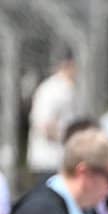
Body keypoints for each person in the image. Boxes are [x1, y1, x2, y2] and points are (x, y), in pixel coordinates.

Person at [27, 53, 77, 188]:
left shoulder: (66, 88)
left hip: (60, 161)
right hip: (48, 161)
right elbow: (45, 125)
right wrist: (72, 143)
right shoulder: (52, 89)